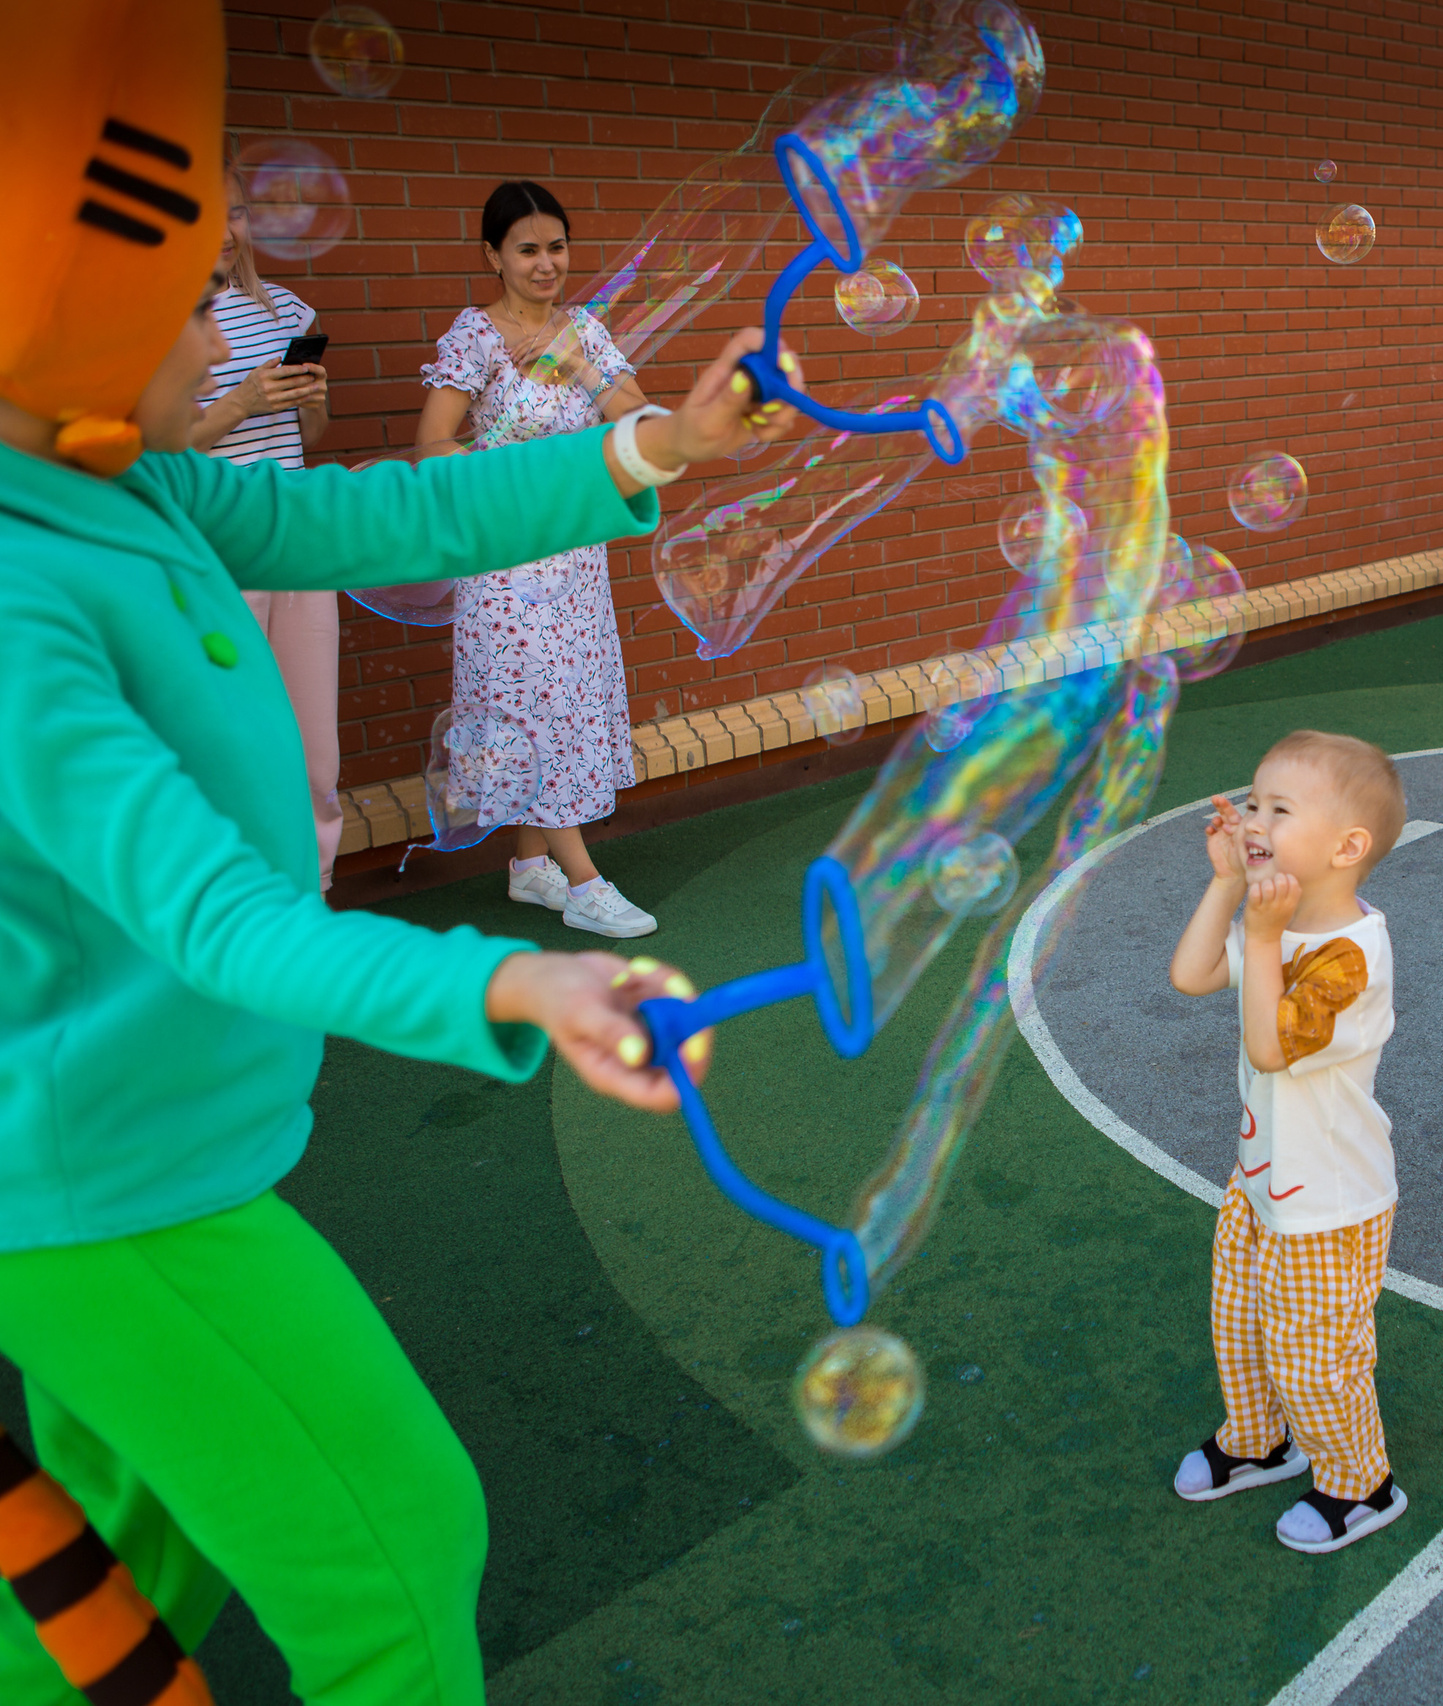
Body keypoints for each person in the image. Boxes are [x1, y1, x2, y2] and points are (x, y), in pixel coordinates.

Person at [0, 6, 794, 1694]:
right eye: (183, 276)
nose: (224, 309)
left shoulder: (123, 488)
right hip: (109, 1192)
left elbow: (394, 513)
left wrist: (655, 447)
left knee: (106, 1574)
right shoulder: (13, 590)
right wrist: (512, 977)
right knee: (400, 1551)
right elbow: (216, 916)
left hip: (135, 1152)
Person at [1166, 730, 1409, 1554]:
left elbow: (1271, 1045)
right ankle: (1259, 1438)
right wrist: (1225, 885)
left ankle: (1359, 1482)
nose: (1256, 817)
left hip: (1330, 1204)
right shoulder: (1286, 920)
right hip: (1260, 1179)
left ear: (1348, 846)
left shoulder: (1349, 957)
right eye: (1255, 801)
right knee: (1238, 1323)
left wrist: (1262, 936)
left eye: (1280, 808)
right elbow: (1193, 975)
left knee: (1315, 1354)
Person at [417, 180, 657, 938]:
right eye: (527, 249)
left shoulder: (583, 328)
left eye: (556, 246)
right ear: (494, 256)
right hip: (508, 563)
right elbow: (431, 445)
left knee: (565, 703)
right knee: (536, 708)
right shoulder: (475, 337)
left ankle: (529, 867)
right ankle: (583, 881)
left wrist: (577, 366)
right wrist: (510, 474)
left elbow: (642, 418)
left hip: (575, 558)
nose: (546, 263)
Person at [190, 158, 343, 888]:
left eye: (239, 212)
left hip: (298, 546)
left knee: (314, 748)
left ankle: (314, 901)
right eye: (208, 213)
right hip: (215, 552)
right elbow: (154, 451)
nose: (228, 230)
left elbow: (310, 438)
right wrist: (241, 401)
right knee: (231, 741)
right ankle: (243, 910)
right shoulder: (163, 321)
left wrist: (307, 396)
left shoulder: (285, 309)